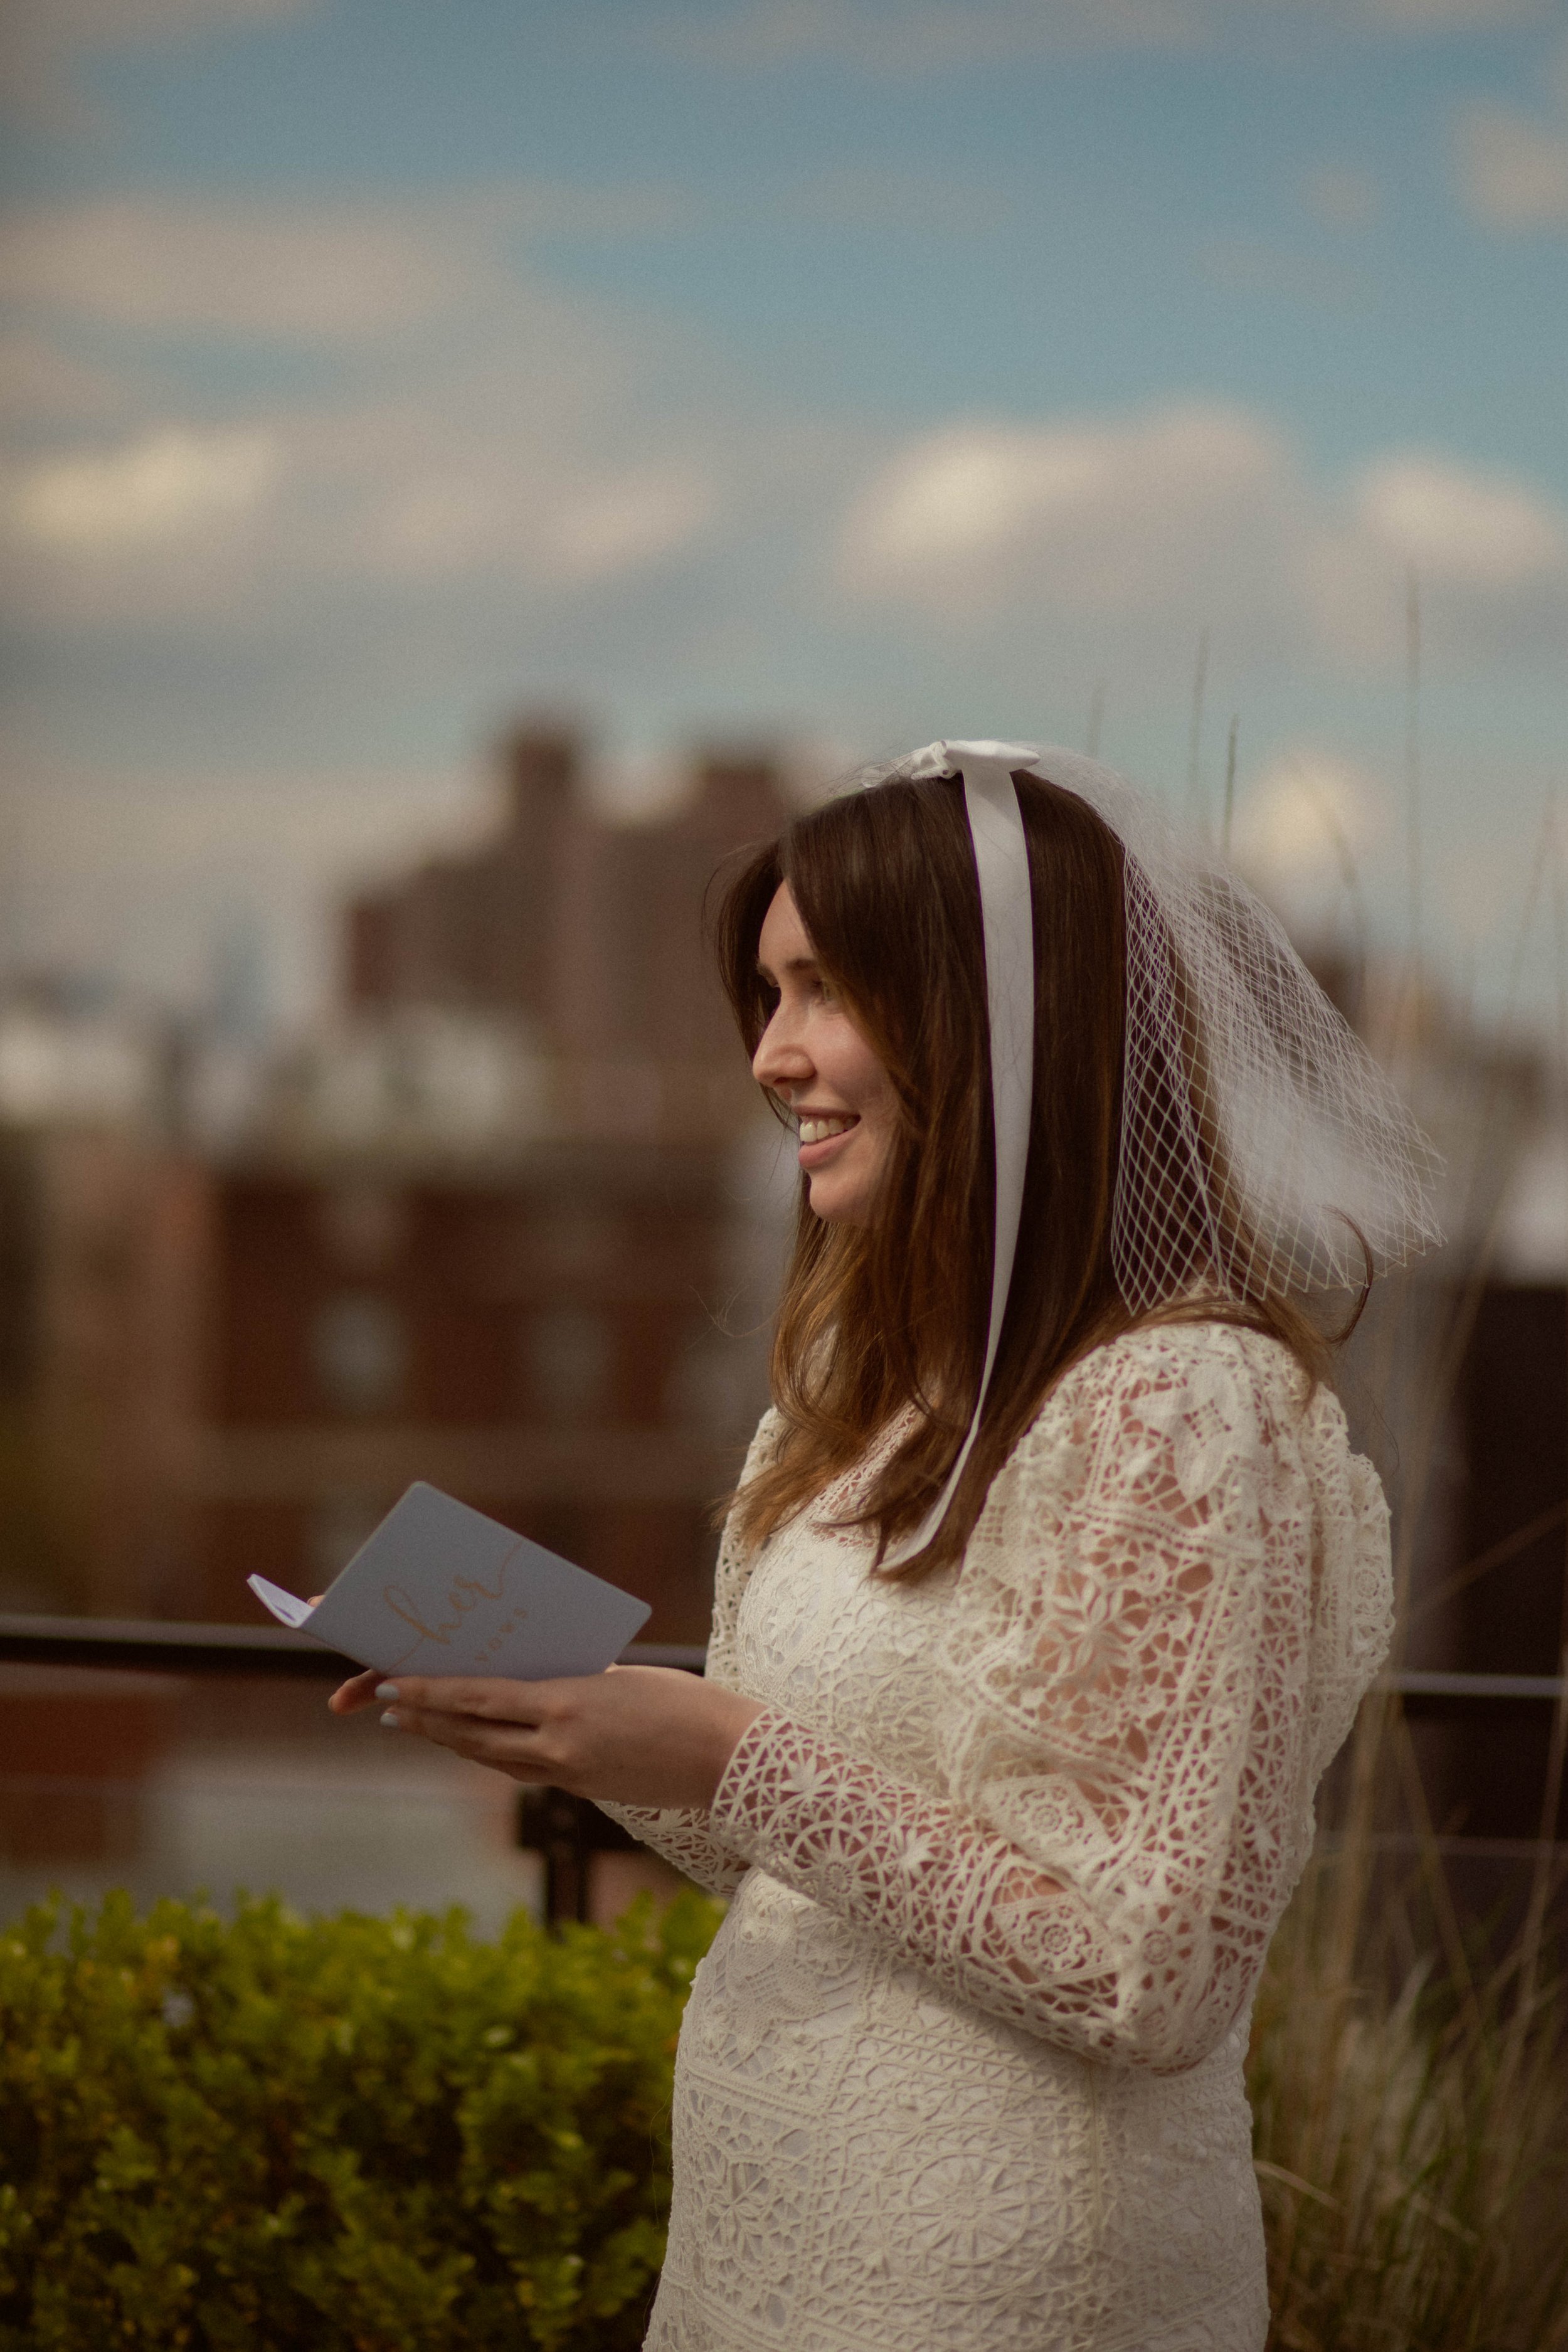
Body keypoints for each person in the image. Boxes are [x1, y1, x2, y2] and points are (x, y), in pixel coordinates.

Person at [331, 742, 1440, 2351]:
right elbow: (793, 1846)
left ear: (1000, 1034)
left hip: (1001, 2273)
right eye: (765, 998)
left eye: (820, 991)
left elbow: (1151, 1974)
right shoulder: (855, 1400)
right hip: (770, 2219)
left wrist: (727, 1751)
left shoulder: (1183, 1406)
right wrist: (584, 1730)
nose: (771, 1053)